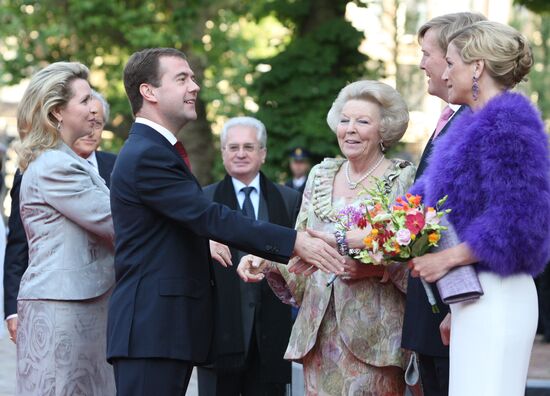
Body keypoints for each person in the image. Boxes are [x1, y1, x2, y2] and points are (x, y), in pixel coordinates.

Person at [106, 47, 344, 396]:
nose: (195, 87)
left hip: (160, 330)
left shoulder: (155, 149)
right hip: (150, 330)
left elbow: (169, 225)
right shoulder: (148, 153)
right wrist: (294, 242)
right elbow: (208, 215)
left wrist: (202, 240)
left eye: (193, 77)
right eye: (182, 78)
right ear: (149, 91)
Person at [239, 80, 416, 395]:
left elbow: (416, 257)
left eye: (362, 121)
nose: (350, 129)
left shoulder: (401, 179)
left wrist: (375, 270)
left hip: (375, 336)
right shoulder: (320, 175)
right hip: (320, 334)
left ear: (383, 131)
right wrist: (265, 260)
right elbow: (302, 249)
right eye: (345, 120)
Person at [409, 21, 550, 395]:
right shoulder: (468, 124)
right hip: (473, 297)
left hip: (500, 295)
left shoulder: (510, 123)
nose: (443, 71)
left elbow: (520, 225)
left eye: (450, 62)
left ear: (477, 67)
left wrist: (446, 259)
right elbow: (428, 202)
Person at [15, 62, 115, 395]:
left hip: (79, 306)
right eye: (85, 100)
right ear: (57, 111)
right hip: (63, 310)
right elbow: (118, 222)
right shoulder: (56, 165)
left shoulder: (62, 159)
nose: (95, 108)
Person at [400, 12, 486, 396]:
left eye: (429, 54)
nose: (422, 64)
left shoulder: (475, 122)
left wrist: (455, 308)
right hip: (435, 302)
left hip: (456, 299)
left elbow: (474, 217)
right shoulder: (448, 120)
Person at [198, 116, 300, 396]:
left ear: (263, 153)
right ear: (222, 153)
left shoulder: (288, 200)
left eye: (248, 147)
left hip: (272, 330)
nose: (240, 153)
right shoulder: (203, 201)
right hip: (220, 332)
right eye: (232, 147)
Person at [3, 91, 116, 344]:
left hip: (112, 300)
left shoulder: (120, 168)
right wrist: (12, 308)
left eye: (97, 124)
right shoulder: (39, 169)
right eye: (87, 120)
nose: (91, 130)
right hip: (59, 308)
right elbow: (20, 244)